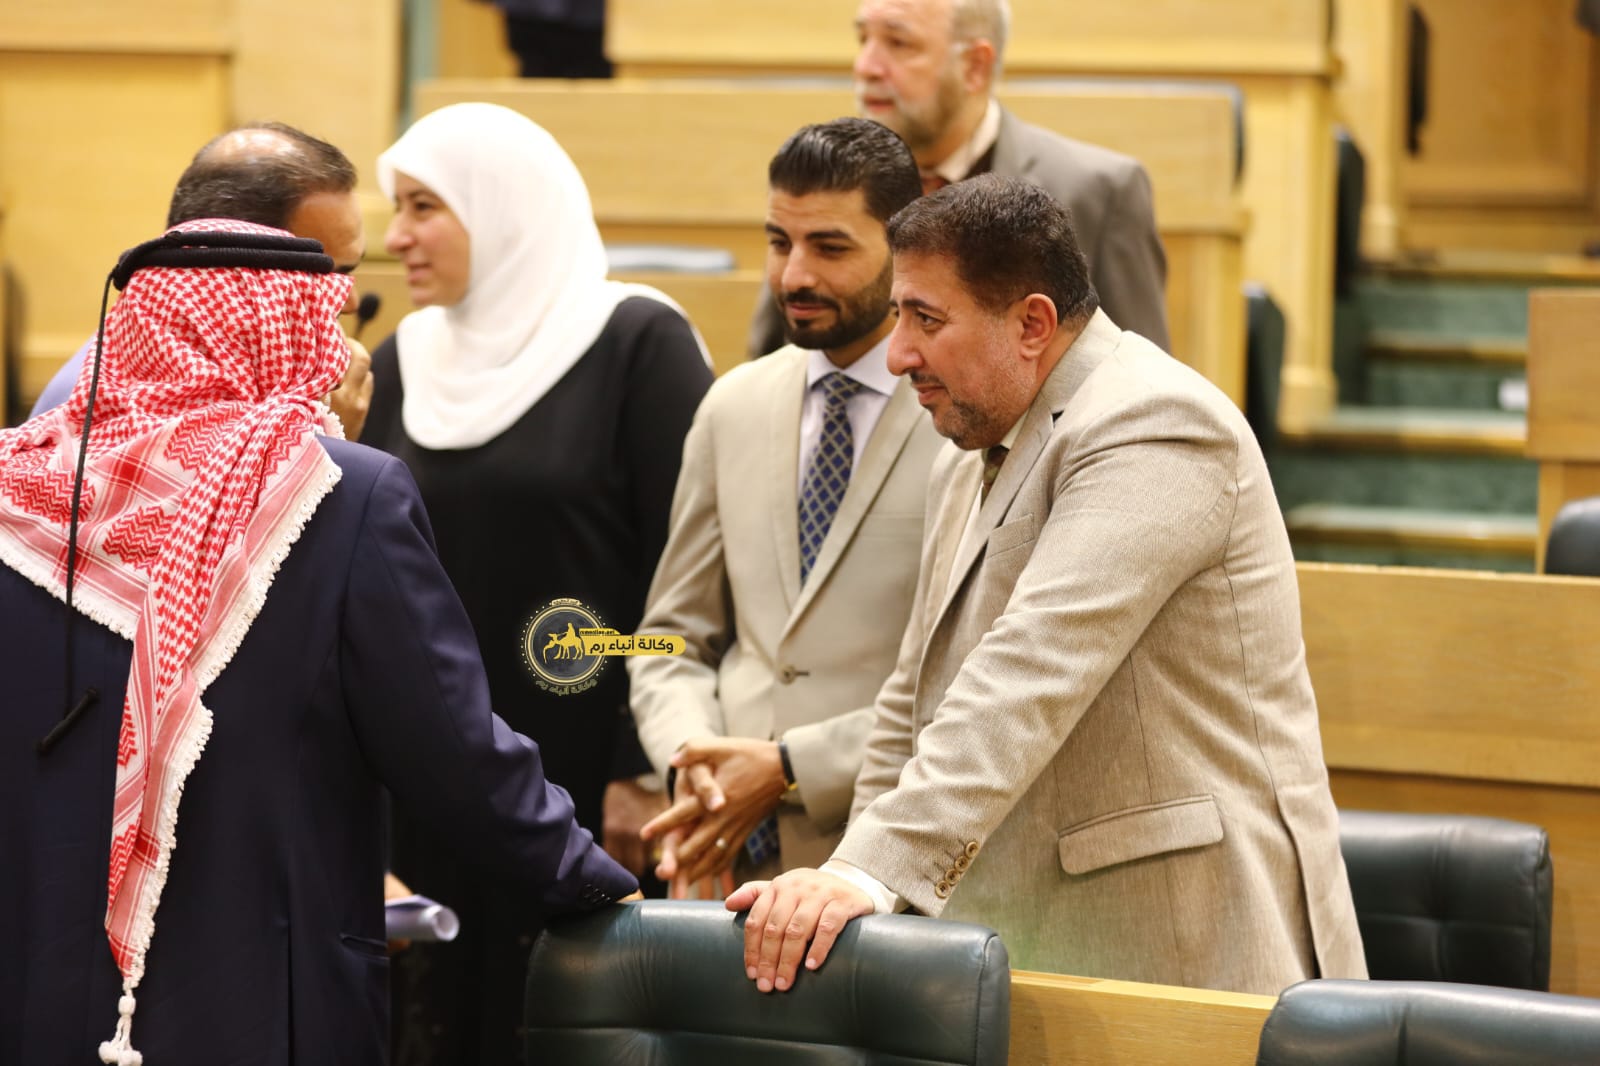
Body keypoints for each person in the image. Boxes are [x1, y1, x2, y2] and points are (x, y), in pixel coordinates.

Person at [0, 218, 638, 1066]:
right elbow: (453, 750)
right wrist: (590, 880)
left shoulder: (14, 487)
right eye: (327, 325)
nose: (341, 353)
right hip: (255, 1006)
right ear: (283, 332)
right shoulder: (340, 494)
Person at [728, 175, 1366, 998]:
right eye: (896, 316)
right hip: (1024, 941)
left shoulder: (1155, 423)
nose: (898, 355)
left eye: (926, 319)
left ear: (1032, 323)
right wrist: (858, 876)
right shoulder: (970, 450)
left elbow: (1029, 672)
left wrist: (870, 872)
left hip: (1184, 943)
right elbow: (911, 701)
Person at [363, 102, 713, 1065]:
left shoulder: (635, 340)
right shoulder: (402, 360)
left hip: (586, 768)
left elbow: (683, 570)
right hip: (435, 772)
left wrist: (640, 763)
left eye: (424, 207)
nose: (397, 238)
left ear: (502, 207)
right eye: (397, 208)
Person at [628, 118, 940, 892]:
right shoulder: (730, 405)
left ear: (905, 244)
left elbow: (973, 684)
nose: (795, 275)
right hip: (723, 856)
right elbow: (670, 639)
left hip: (888, 861)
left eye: (829, 247)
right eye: (779, 242)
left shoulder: (962, 417)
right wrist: (697, 768)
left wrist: (791, 767)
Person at [747, 0, 1169, 357]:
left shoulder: (1098, 192)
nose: (866, 67)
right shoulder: (821, 182)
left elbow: (1139, 386)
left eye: (898, 43)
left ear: (974, 66)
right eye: (863, 40)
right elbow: (774, 358)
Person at [30, 123, 376, 439]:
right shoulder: (106, 407)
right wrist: (328, 442)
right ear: (224, 273)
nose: (351, 302)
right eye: (327, 278)